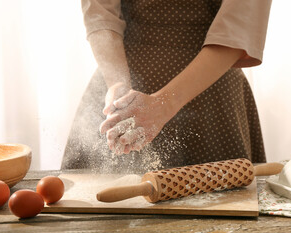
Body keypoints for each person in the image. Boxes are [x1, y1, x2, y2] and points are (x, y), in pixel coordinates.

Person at [61, 0, 272, 173]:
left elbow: (238, 29)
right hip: (121, 90)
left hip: (211, 99)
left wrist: (164, 104)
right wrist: (118, 83)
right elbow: (100, 13)